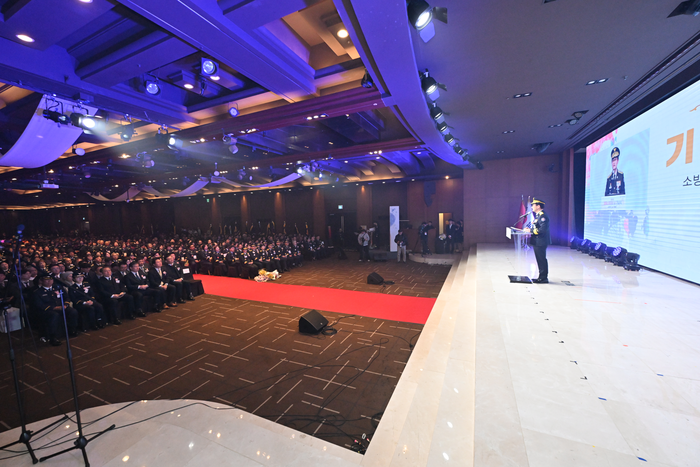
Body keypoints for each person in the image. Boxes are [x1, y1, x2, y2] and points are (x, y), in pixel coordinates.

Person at [524, 198, 551, 283]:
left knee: (541, 259)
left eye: (533, 205)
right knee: (539, 259)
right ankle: (541, 277)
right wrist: (530, 229)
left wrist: (530, 231)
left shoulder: (543, 216)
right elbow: (537, 227)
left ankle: (543, 278)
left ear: (538, 206)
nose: (532, 207)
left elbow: (542, 230)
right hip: (537, 241)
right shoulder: (538, 215)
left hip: (541, 241)